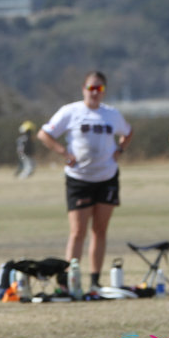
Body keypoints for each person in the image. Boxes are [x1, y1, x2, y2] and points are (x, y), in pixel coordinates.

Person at [37, 71, 133, 291]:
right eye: (91, 88)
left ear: (104, 91)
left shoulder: (111, 114)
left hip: (106, 177)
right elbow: (44, 134)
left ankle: (95, 280)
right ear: (83, 89)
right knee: (78, 231)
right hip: (79, 178)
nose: (95, 93)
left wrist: (119, 150)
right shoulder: (71, 111)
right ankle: (69, 280)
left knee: (100, 230)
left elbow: (128, 132)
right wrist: (63, 152)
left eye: (99, 88)